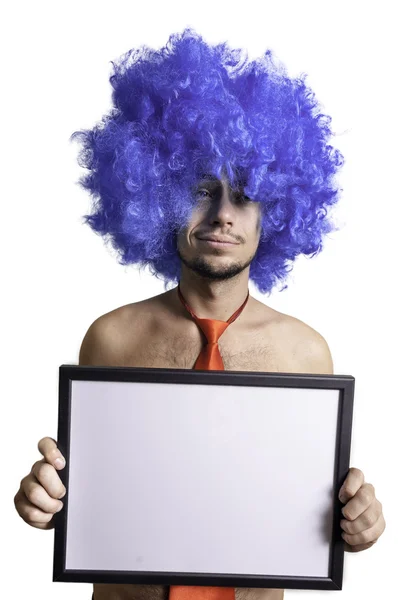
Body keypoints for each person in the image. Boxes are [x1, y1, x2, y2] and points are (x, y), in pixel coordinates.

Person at [14, 29, 385, 600]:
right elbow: (99, 504)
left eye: (245, 195)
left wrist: (354, 525)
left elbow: (304, 513)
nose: (222, 216)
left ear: (277, 213)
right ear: (155, 195)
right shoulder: (110, 339)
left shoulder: (305, 353)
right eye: (200, 190)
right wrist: (48, 504)